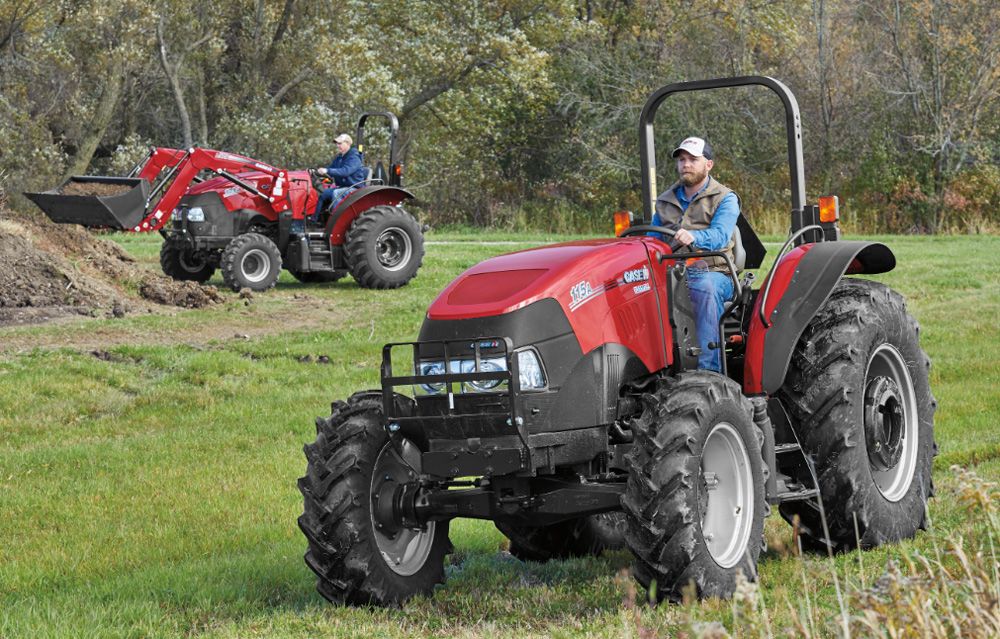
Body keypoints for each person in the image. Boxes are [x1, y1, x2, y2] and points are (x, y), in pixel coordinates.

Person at [652, 136, 740, 373]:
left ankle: (709, 372)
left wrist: (695, 237)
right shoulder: (664, 201)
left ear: (708, 164)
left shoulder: (725, 198)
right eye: (682, 160)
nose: (686, 164)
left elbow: (721, 235)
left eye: (693, 159)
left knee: (703, 286)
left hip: (715, 271)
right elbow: (653, 239)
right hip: (673, 272)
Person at [313, 133, 367, 220]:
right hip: (343, 187)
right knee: (324, 194)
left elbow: (345, 171)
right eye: (337, 144)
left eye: (340, 143)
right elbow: (331, 169)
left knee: (336, 193)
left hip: (354, 188)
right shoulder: (339, 157)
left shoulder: (354, 157)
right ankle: (314, 220)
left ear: (348, 143)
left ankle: (336, 221)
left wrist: (327, 170)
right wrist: (318, 172)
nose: (338, 146)